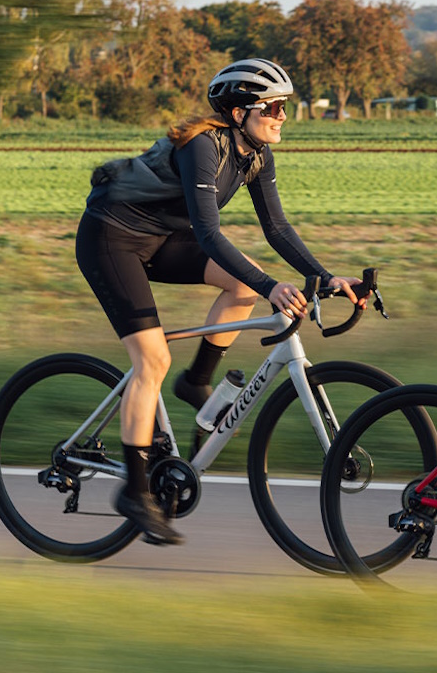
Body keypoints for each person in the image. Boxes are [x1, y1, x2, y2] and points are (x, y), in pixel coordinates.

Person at [76, 58, 363, 545]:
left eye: (284, 107)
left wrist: (325, 277)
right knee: (152, 359)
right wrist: (276, 285)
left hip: (163, 239)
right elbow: (209, 235)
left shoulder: (256, 155)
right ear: (237, 112)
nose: (282, 116)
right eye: (272, 106)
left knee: (243, 287)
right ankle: (134, 491)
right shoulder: (201, 148)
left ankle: (197, 382)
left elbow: (277, 229)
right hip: (112, 238)